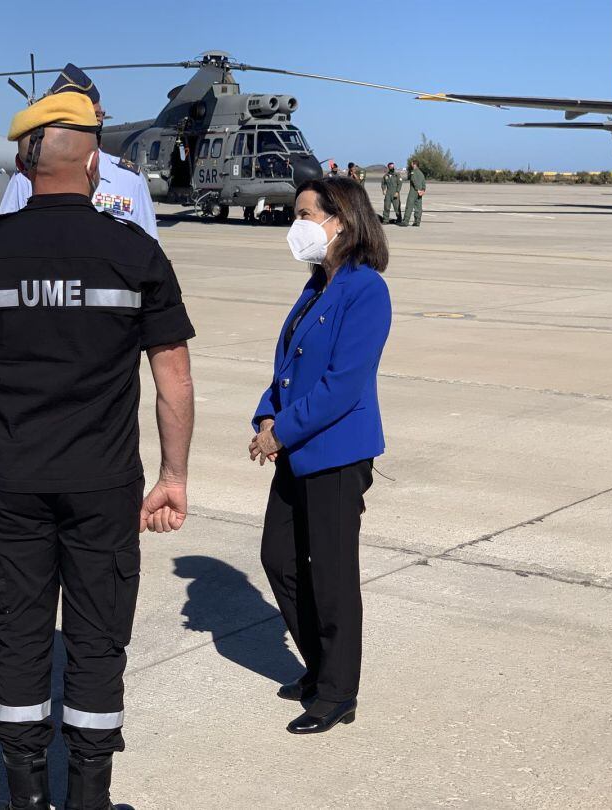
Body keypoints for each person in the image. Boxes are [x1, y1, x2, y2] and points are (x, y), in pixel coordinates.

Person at [0, 91, 195, 810]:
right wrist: (172, 475)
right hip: (105, 485)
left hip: (13, 482)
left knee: (18, 635)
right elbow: (172, 374)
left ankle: (22, 794)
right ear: (97, 163)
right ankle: (89, 795)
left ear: (23, 158)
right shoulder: (133, 251)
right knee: (97, 638)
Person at [249, 176, 391, 736]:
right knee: (279, 558)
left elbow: (342, 384)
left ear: (341, 221)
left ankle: (337, 691)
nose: (297, 224)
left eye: (306, 213)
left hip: (334, 452)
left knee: (331, 576)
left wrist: (279, 433)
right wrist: (266, 413)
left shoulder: (365, 289)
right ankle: (321, 666)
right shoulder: (317, 285)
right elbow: (288, 365)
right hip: (295, 445)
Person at [0, 63, 159, 240]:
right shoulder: (25, 179)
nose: (93, 124)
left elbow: (149, 243)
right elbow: (5, 238)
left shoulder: (129, 179)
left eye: (96, 117)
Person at [403, 159, 426, 226]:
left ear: (414, 164)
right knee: (418, 207)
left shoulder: (413, 172)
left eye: (412, 163)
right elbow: (424, 183)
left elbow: (413, 180)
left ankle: (406, 221)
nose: (411, 164)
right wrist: (423, 190)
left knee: (409, 206)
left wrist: (418, 189)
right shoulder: (421, 173)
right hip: (420, 193)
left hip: (414, 192)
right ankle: (417, 222)